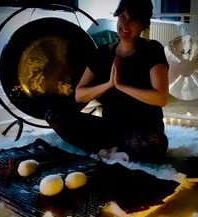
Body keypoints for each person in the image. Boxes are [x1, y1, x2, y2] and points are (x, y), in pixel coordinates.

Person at [45, 0, 169, 164]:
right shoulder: (103, 53)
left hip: (142, 130)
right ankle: (115, 151)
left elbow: (161, 98)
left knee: (157, 142)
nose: (125, 24)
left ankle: (109, 151)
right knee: (53, 115)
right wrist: (109, 84)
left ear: (143, 25)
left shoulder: (152, 50)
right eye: (122, 16)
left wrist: (121, 86)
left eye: (133, 19)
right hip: (110, 128)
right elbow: (79, 95)